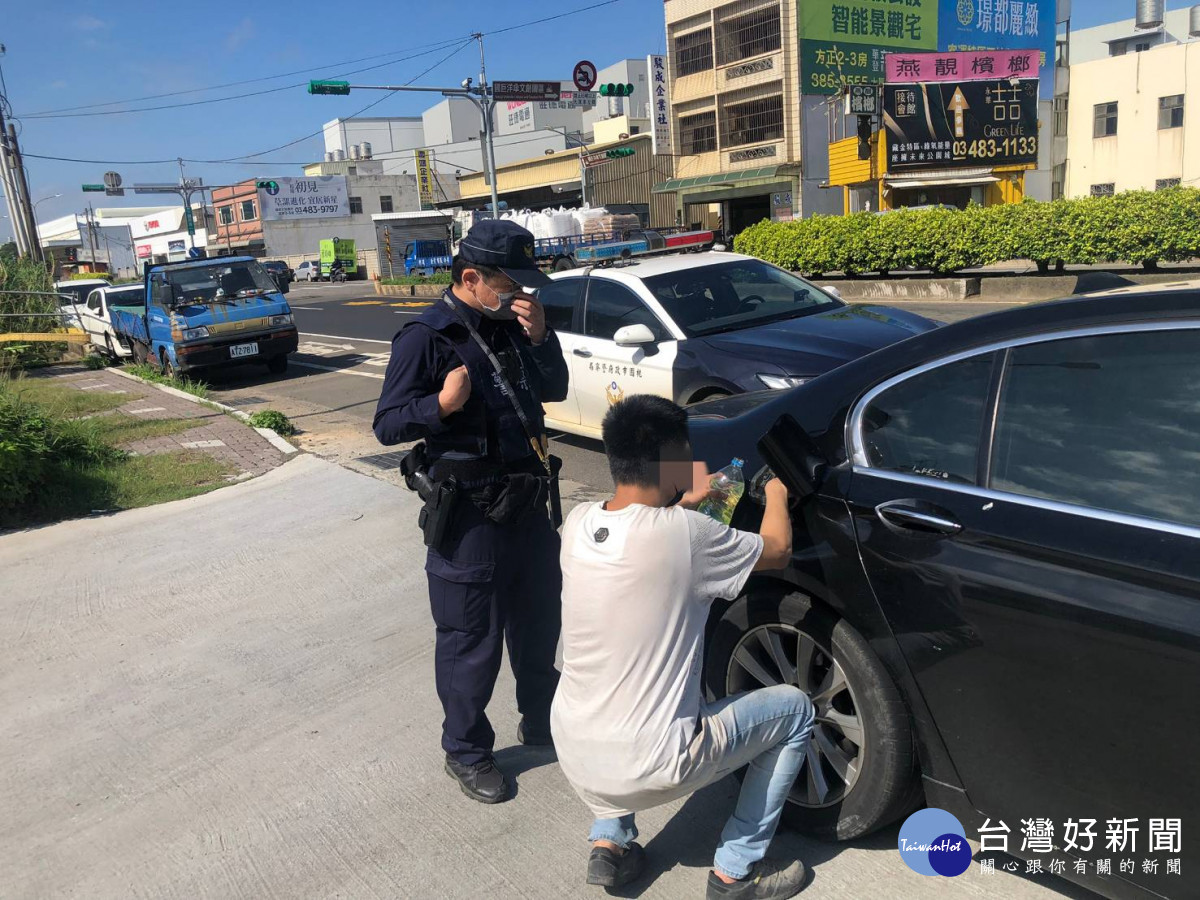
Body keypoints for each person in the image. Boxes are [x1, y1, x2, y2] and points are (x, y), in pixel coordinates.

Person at [551, 395, 815, 900]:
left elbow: (648, 538)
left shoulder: (579, 523)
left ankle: (610, 843)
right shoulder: (689, 535)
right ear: (673, 455)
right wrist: (778, 491)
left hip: (574, 752)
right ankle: (736, 872)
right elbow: (777, 550)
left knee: (613, 678)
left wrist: (687, 501)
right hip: (652, 765)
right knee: (797, 711)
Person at [373, 219, 569, 804]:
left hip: (528, 505)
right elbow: (386, 423)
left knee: (538, 623)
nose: (522, 295)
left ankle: (540, 719)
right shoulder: (425, 336)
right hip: (470, 518)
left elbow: (553, 390)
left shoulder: (518, 325)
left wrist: (541, 339)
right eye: (510, 285)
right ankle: (466, 750)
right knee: (470, 639)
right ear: (470, 278)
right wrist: (439, 404)